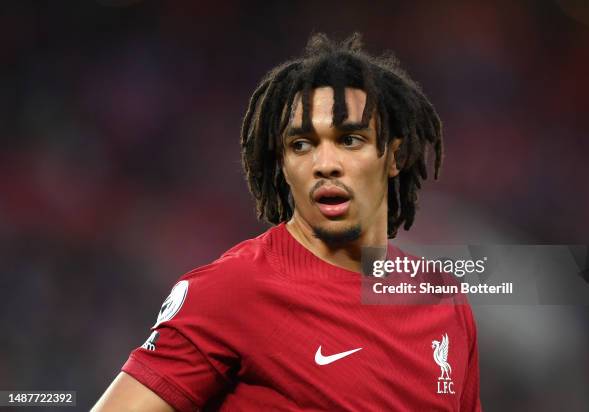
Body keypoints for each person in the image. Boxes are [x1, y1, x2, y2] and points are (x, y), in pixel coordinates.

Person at [93, 33, 481, 411]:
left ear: (394, 157)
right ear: (283, 165)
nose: (325, 164)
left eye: (349, 140)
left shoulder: (443, 299)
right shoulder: (233, 290)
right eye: (301, 145)